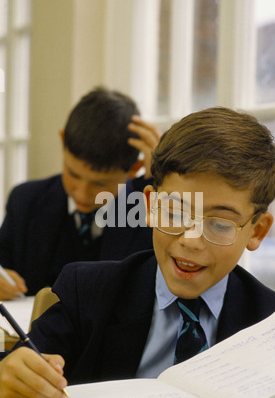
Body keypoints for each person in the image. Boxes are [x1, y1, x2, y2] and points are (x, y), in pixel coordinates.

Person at [1, 106, 275, 398]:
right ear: (150, 207)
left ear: (257, 231)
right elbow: (20, 367)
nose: (191, 240)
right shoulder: (88, 293)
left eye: (220, 224)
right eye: (174, 212)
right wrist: (10, 371)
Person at [0, 87, 161, 299]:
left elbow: (155, 285)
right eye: (73, 175)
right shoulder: (26, 201)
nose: (83, 194)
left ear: (134, 169)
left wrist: (161, 181)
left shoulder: (148, 210)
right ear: (62, 141)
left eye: (100, 184)